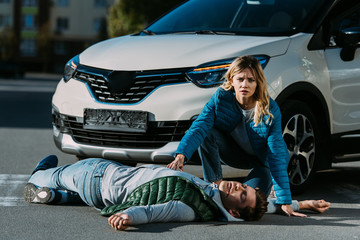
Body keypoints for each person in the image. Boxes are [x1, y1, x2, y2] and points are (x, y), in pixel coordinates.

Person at [24, 156, 330, 231]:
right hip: (103, 193)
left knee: (49, 173)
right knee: (74, 192)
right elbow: (266, 208)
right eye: (245, 186)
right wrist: (301, 203)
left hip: (99, 174)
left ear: (233, 212)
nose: (239, 186)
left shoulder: (191, 207)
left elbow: (159, 212)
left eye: (241, 195)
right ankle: (58, 197)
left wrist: (128, 216)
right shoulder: (209, 199)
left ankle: (44, 178)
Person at [168, 55, 297, 216]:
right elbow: (199, 126)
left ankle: (276, 192)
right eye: (240, 79)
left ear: (258, 83)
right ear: (231, 80)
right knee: (207, 130)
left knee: (247, 203)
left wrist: (285, 201)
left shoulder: (269, 109)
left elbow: (276, 153)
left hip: (264, 162)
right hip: (235, 154)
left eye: (251, 80)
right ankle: (214, 185)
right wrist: (181, 155)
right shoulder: (220, 98)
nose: (245, 84)